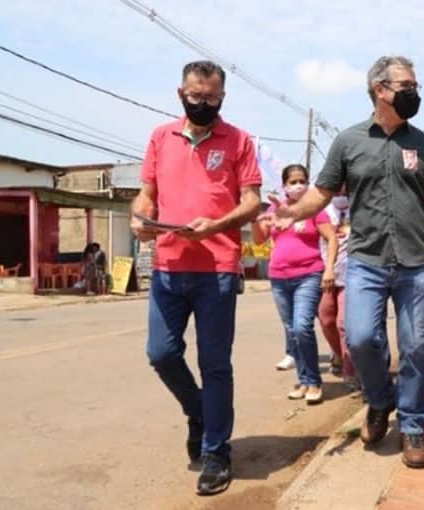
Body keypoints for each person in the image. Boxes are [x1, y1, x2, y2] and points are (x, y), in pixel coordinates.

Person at [266, 55, 424, 469]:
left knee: (415, 346)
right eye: (406, 86)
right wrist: (291, 212)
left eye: (415, 86)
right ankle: (381, 400)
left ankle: (414, 424)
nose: (414, 93)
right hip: (366, 260)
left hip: (415, 262)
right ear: (379, 90)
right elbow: (322, 193)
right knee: (361, 337)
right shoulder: (348, 142)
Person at [131, 60, 262, 496]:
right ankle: (199, 409)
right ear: (180, 93)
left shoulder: (239, 140)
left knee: (215, 363)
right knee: (161, 353)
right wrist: (140, 219)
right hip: (168, 265)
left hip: (218, 269)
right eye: (195, 95)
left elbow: (252, 202)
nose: (202, 103)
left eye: (211, 97)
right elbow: (146, 195)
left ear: (222, 97)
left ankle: (216, 452)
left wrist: (218, 224)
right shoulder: (160, 137)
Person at [253, 164, 338, 404]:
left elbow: (332, 238)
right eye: (293, 182)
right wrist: (256, 218)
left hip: (309, 275)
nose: (298, 185)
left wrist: (329, 269)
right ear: (284, 186)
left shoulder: (313, 210)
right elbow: (259, 239)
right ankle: (303, 380)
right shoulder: (275, 210)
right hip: (279, 277)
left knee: (302, 327)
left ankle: (313, 382)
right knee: (292, 331)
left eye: (302, 181)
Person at [317, 187, 360, 390]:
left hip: (352, 274)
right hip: (327, 274)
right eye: (337, 192)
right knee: (326, 319)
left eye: (345, 192)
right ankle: (339, 354)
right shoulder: (322, 211)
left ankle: (350, 371)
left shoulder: (360, 209)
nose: (341, 196)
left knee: (343, 324)